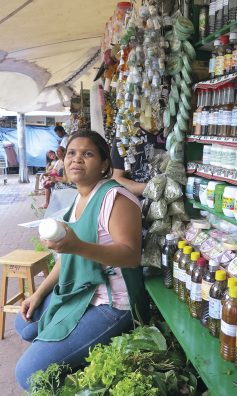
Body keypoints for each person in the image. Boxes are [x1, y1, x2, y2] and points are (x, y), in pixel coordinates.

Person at [15, 131, 150, 391]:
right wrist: (39, 293)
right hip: (80, 291)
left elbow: (131, 256)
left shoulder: (116, 198)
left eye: (87, 154)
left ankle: (58, 365)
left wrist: (77, 245)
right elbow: (67, 258)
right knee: (23, 322)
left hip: (112, 304)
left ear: (103, 165)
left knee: (28, 374)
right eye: (71, 153)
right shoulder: (79, 197)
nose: (77, 159)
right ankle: (61, 356)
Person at [111, 131, 165, 197]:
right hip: (142, 200)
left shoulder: (170, 125)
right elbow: (116, 179)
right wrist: (151, 188)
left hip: (176, 191)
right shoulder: (124, 131)